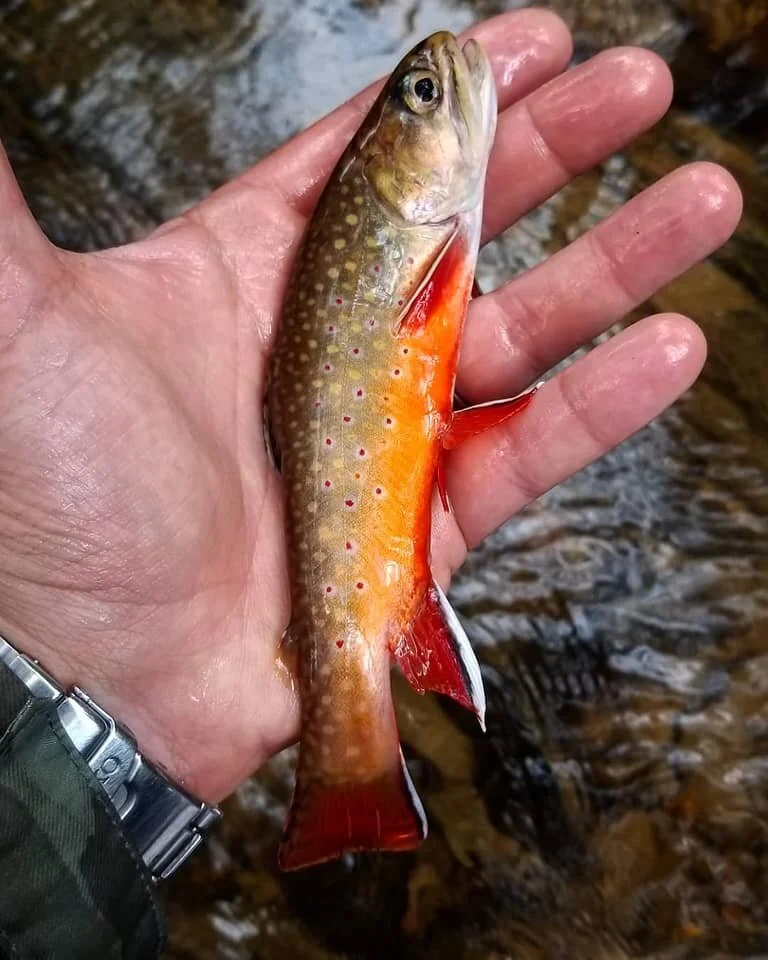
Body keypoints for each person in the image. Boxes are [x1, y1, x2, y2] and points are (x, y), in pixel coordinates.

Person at [0, 9, 742, 959]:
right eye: (425, 97)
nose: (444, 80)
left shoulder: (413, 224)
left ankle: (345, 756)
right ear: (385, 172)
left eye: (421, 94)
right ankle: (353, 760)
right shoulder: (411, 231)